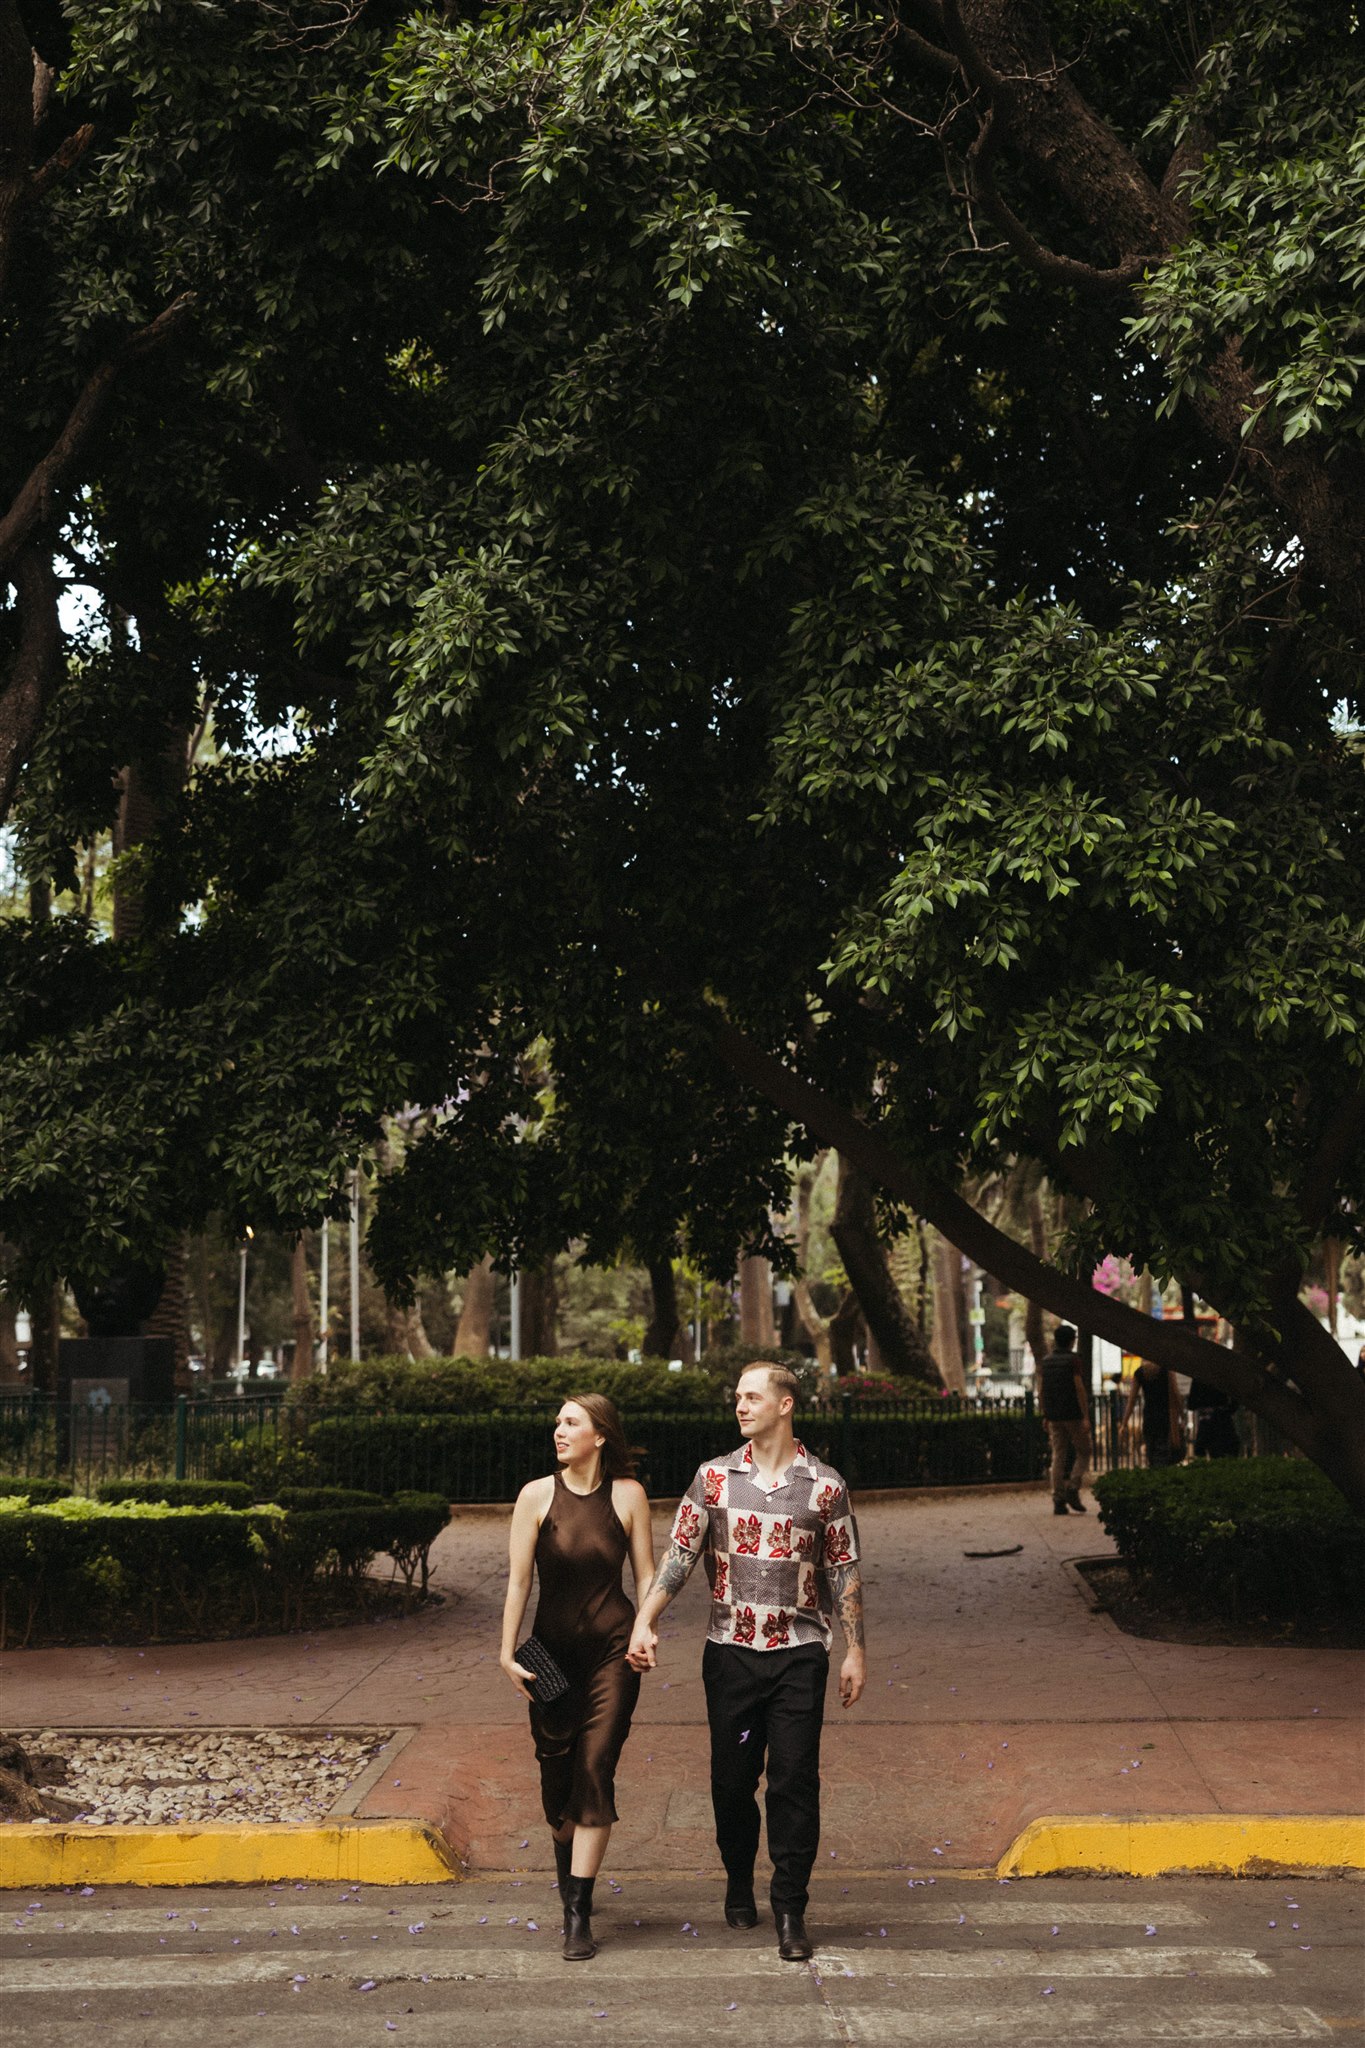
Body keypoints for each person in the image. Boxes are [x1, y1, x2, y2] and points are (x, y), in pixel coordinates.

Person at [626, 1362, 866, 1964]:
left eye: (752, 1396)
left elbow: (844, 1571)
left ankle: (790, 1907)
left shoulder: (825, 1486)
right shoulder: (711, 1479)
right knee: (733, 1782)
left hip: (799, 1657)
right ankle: (739, 1878)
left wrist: (856, 1649)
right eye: (737, 1397)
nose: (740, 1405)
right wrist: (645, 1618)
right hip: (730, 1654)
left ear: (785, 1405)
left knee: (793, 1781)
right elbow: (680, 1556)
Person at [500, 1393, 654, 1962]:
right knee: (556, 1782)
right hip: (546, 1655)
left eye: (571, 1422)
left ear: (600, 1435)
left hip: (614, 1651)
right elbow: (519, 1582)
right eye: (558, 1422)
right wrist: (505, 1651)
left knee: (594, 1768)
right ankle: (567, 1862)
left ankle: (577, 1913)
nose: (558, 1430)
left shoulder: (629, 1497)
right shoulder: (536, 1496)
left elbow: (647, 1579)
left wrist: (646, 1631)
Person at [1039, 1322, 1091, 1515]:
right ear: (1071, 1341)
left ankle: (1058, 1499)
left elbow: (1042, 1390)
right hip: (1072, 1413)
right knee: (1084, 1451)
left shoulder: (1046, 1361)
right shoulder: (1074, 1360)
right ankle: (1073, 1487)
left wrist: (1045, 1414)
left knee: (1058, 1455)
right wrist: (1085, 1415)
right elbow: (1079, 1387)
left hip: (1054, 1415)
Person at [1122, 1356, 1185, 1467]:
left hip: (1149, 1418)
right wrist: (1182, 1415)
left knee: (1151, 1452)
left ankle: (1154, 1474)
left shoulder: (1140, 1373)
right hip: (1165, 1418)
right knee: (1163, 1454)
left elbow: (1131, 1401)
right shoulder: (1166, 1369)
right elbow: (1175, 1393)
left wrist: (1124, 1423)